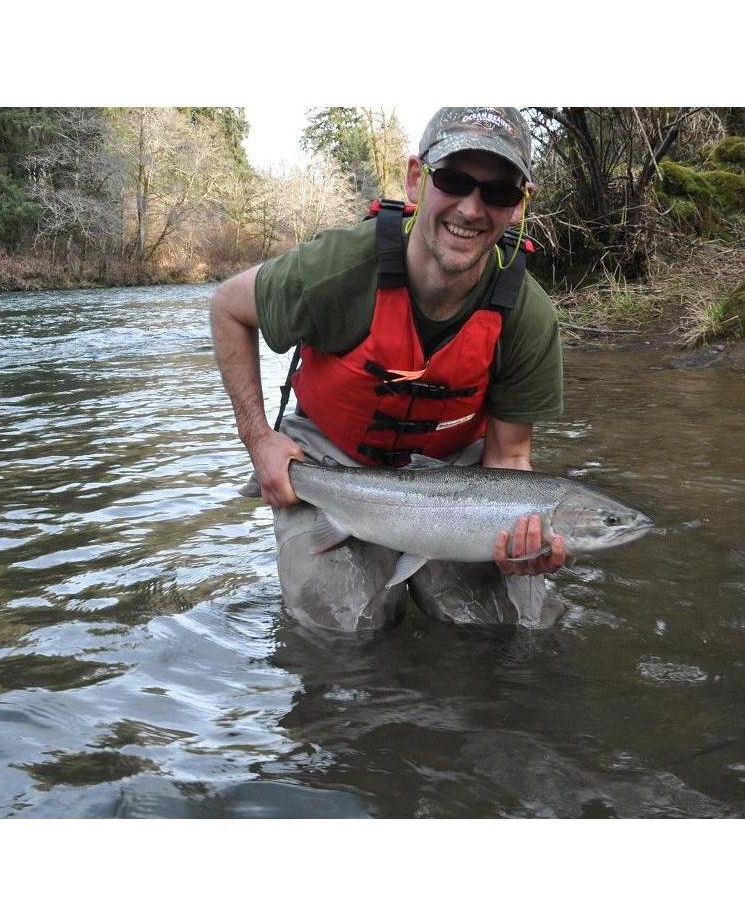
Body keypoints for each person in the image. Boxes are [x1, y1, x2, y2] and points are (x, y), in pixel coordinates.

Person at [210, 107, 567, 634]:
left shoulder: (527, 315)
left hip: (456, 486)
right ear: (417, 179)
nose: (472, 208)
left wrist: (522, 543)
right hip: (330, 464)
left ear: (518, 207)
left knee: (513, 627)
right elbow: (227, 307)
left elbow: (510, 457)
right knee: (343, 632)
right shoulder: (335, 269)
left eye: (498, 192)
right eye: (454, 181)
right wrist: (258, 438)